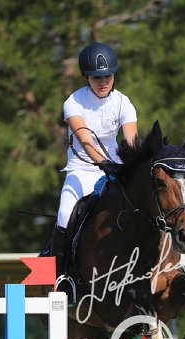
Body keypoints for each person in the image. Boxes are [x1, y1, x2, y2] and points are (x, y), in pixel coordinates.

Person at [52, 41, 138, 299]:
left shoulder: (123, 103)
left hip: (115, 170)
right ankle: (62, 276)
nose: (103, 82)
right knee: (65, 213)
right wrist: (103, 163)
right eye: (97, 77)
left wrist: (129, 166)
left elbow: (131, 142)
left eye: (108, 76)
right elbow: (85, 139)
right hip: (82, 169)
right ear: (86, 77)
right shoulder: (73, 102)